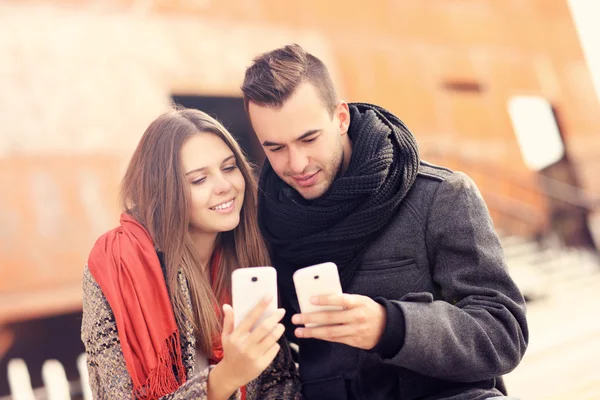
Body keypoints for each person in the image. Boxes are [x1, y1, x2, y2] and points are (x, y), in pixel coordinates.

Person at [241, 44, 528, 400]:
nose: (297, 164)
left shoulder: (440, 196)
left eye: (308, 138)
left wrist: (392, 326)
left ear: (341, 118)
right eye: (276, 148)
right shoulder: (264, 222)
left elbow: (504, 333)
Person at [81, 108, 301, 399]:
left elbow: (280, 379)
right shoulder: (117, 263)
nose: (225, 186)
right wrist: (224, 379)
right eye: (199, 180)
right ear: (164, 192)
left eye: (229, 167)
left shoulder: (247, 251)